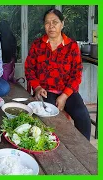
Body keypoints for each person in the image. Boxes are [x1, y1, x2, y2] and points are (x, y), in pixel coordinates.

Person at [25, 8, 91, 140]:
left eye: (55, 22)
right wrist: (37, 87)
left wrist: (64, 96)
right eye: (47, 23)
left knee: (83, 117)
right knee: (48, 120)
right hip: (46, 91)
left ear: (62, 23)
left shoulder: (71, 46)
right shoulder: (37, 45)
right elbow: (29, 69)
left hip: (68, 92)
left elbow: (76, 74)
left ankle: (84, 153)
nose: (51, 26)